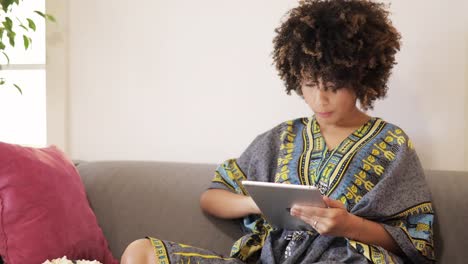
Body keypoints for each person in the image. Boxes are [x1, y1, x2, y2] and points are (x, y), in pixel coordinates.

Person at [121, 0, 436, 263]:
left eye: (333, 86)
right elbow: (212, 197)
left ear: (362, 76)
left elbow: (416, 240)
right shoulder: (280, 139)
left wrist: (349, 225)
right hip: (270, 258)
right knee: (141, 252)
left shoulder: (392, 144)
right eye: (310, 84)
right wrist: (258, 203)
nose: (319, 99)